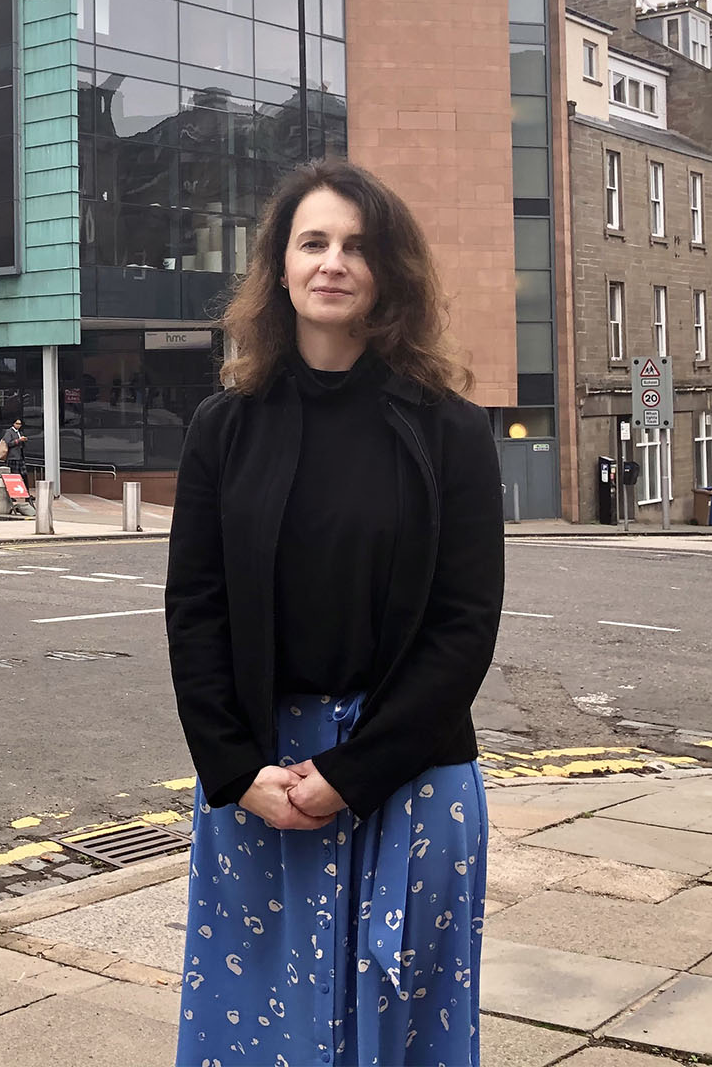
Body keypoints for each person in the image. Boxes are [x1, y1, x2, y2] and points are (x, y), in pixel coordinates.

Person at [164, 158, 503, 1067]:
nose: (333, 263)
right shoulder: (221, 429)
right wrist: (236, 771)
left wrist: (354, 770)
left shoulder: (455, 432)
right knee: (259, 1030)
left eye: (357, 246)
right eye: (313, 242)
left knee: (405, 1030)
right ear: (280, 267)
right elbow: (194, 612)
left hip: (412, 773)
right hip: (260, 778)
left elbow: (465, 625)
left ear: (386, 270)